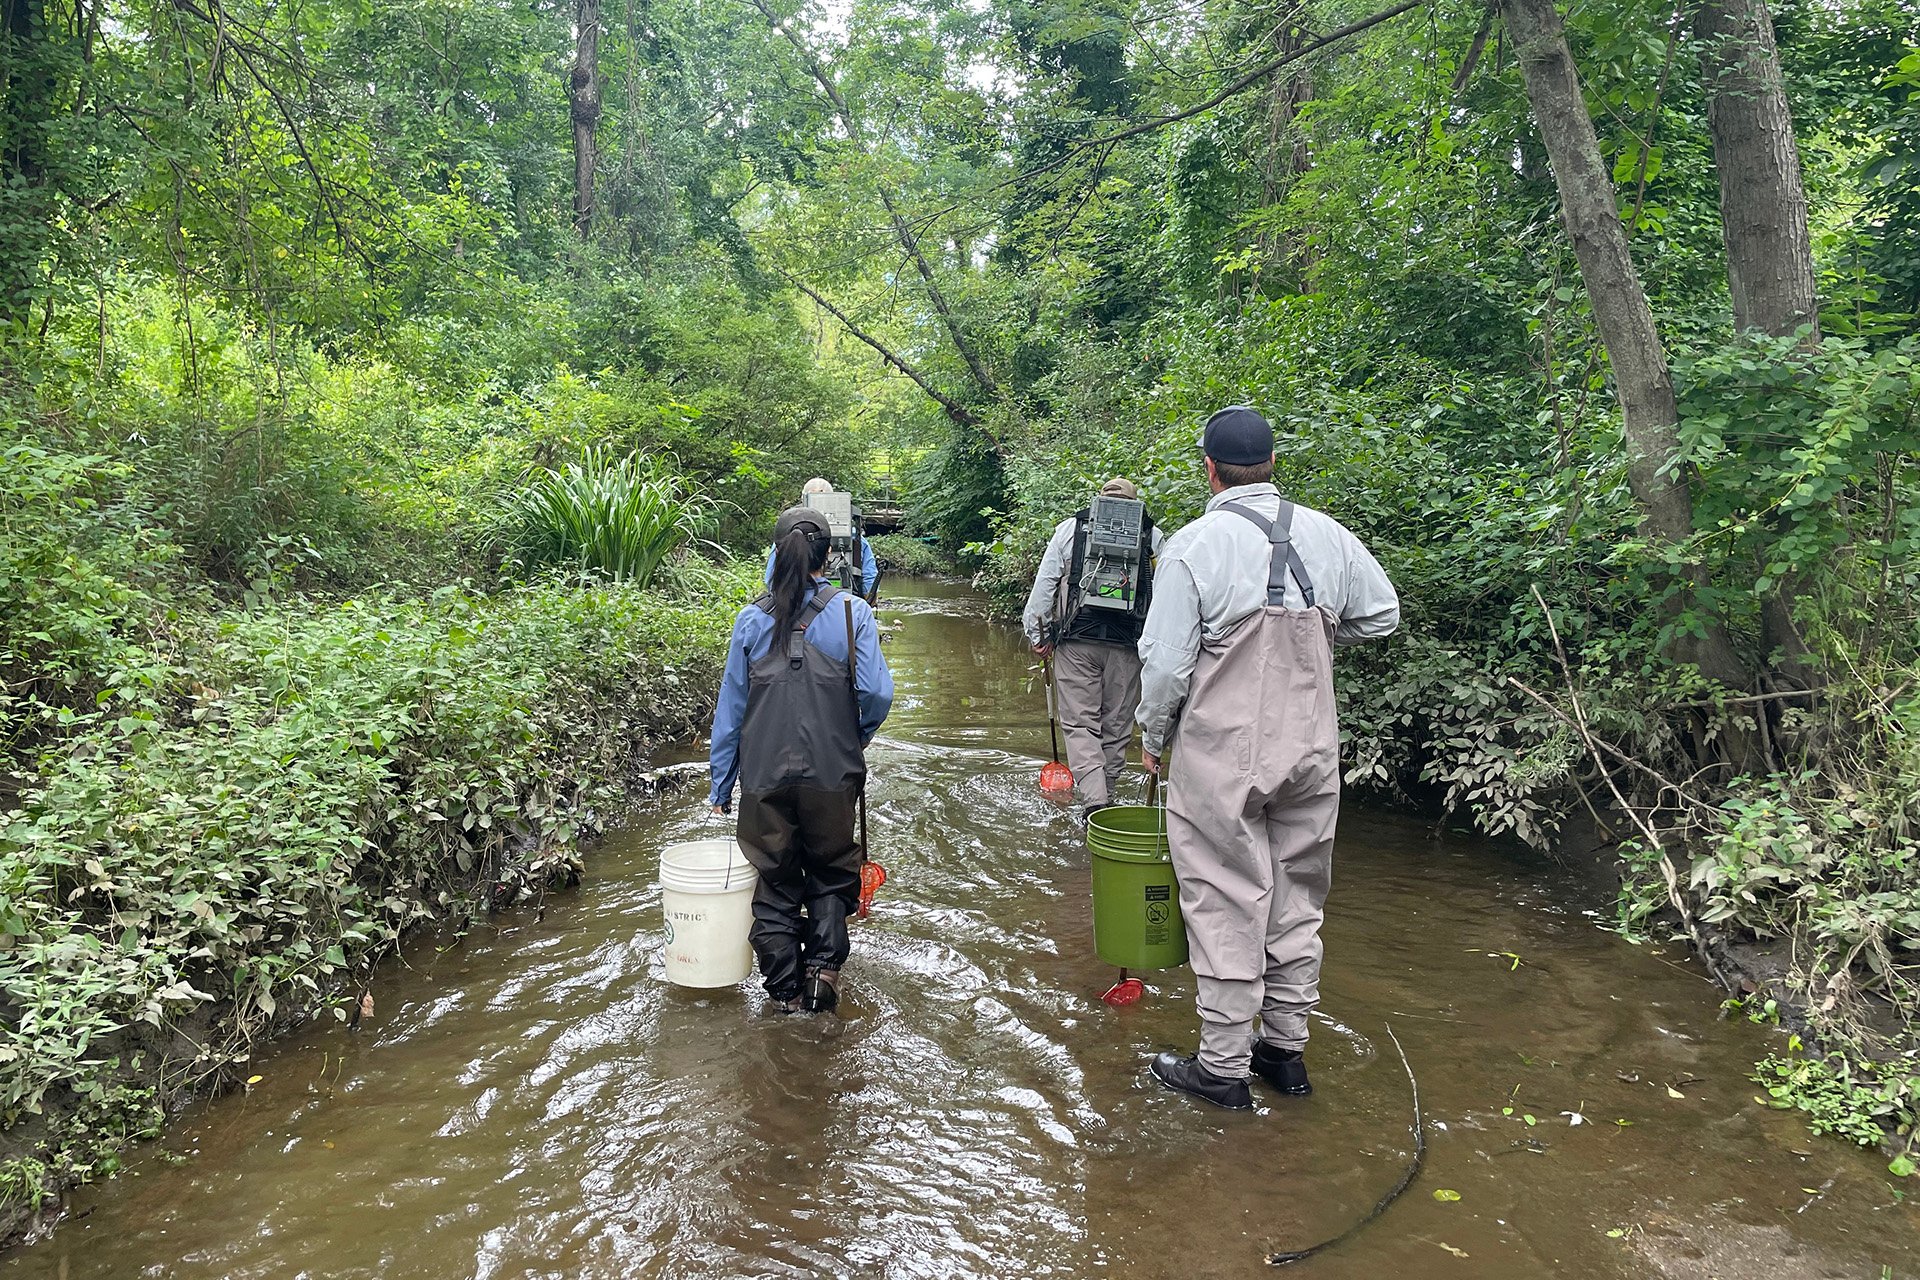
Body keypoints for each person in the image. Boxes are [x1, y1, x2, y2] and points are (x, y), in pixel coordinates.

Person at [1134, 407, 1399, 1109]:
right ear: (1274, 464)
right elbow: (1383, 615)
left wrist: (1153, 739)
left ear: (1210, 469)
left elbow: (1163, 667)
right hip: (1312, 745)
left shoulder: (1194, 545)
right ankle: (1284, 1054)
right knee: (1297, 896)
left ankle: (1221, 1070)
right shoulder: (1329, 535)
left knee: (1225, 895)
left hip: (1222, 753)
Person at [711, 505, 894, 1013]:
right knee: (833, 870)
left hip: (765, 775)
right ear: (829, 556)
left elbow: (731, 711)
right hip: (833, 773)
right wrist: (854, 736)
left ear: (774, 553)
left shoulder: (750, 620)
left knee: (775, 877)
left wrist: (721, 783)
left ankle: (784, 993)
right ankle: (822, 977)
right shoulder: (854, 613)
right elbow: (877, 695)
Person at [1021, 478, 1165, 812]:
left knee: (1080, 726)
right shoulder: (1154, 537)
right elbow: (1165, 596)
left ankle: (1095, 802)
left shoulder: (1070, 529)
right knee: (1116, 727)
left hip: (1075, 642)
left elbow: (1044, 589)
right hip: (1129, 646)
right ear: (1135, 503)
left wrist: (1039, 636)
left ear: (1099, 500)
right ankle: (1106, 803)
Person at [763, 477, 879, 600]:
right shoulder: (857, 541)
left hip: (792, 607)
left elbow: (771, 581)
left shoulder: (787, 538)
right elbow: (870, 585)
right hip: (846, 608)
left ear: (803, 502)